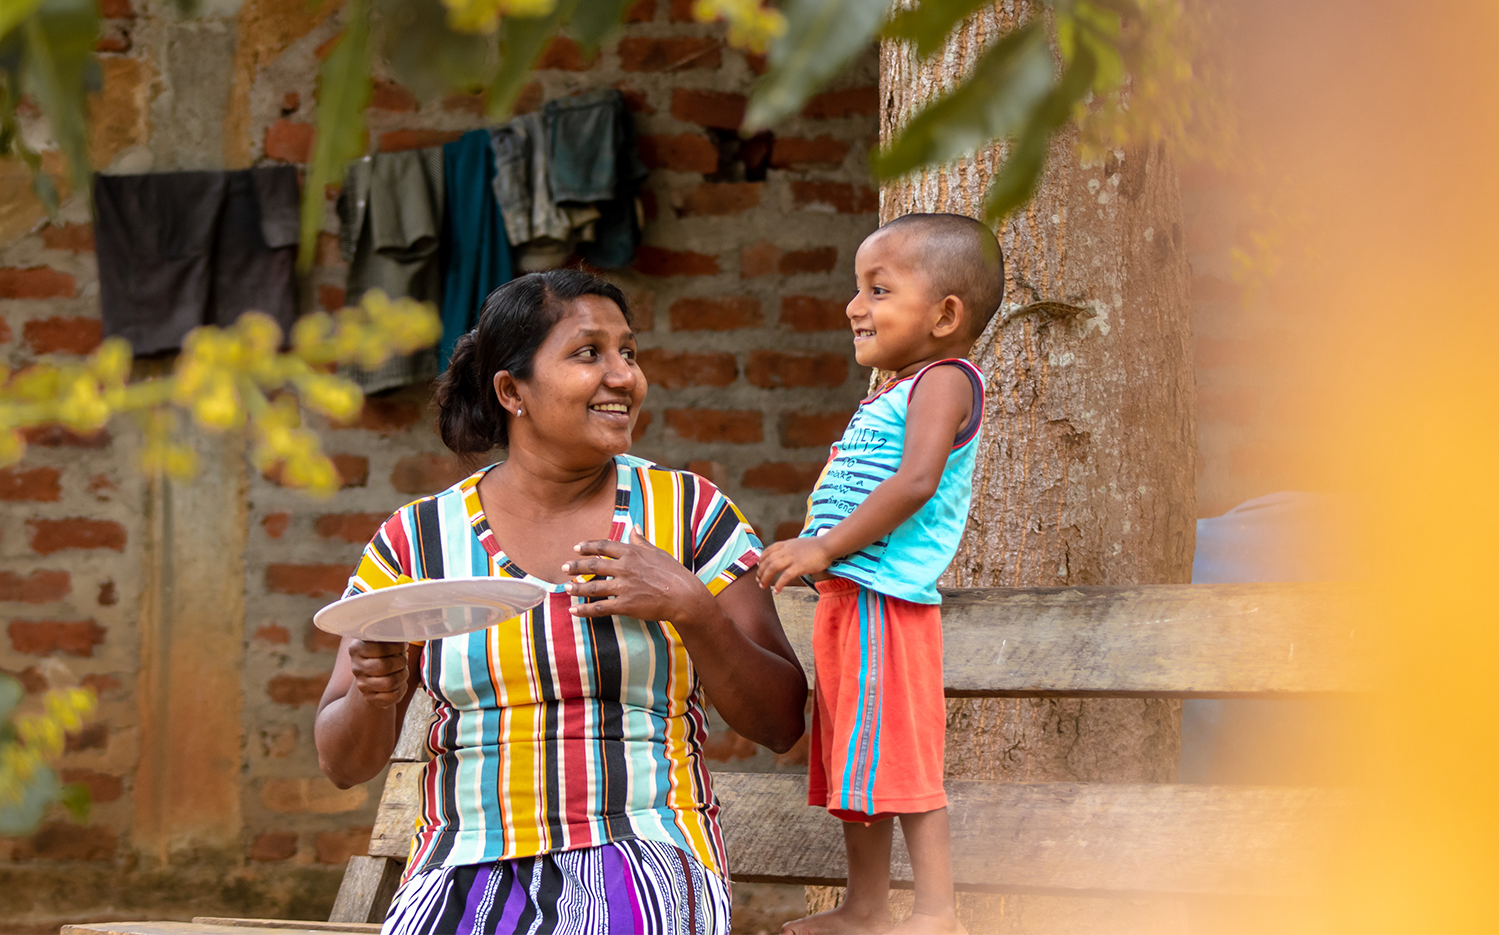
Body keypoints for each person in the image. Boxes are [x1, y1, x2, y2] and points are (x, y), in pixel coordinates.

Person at [315, 270, 809, 935]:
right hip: (463, 865)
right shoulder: (418, 539)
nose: (623, 376)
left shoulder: (686, 512)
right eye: (589, 353)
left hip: (642, 851)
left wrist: (691, 605)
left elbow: (781, 721)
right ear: (511, 390)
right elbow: (343, 763)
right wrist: (376, 694)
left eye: (628, 352)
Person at [758, 214, 1003, 935]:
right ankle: (865, 907)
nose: (852, 306)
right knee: (854, 763)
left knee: (902, 758)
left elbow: (916, 481)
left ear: (945, 315)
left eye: (877, 289)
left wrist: (823, 547)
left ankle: (936, 913)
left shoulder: (944, 381)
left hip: (886, 605)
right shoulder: (893, 387)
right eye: (856, 288)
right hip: (851, 602)